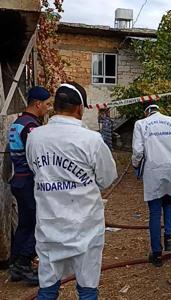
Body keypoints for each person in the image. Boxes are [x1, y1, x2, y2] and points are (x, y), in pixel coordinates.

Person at [26, 82, 117, 299]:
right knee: (87, 289)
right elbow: (107, 178)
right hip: (84, 228)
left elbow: (35, 170)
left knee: (47, 288)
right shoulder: (92, 140)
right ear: (79, 108)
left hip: (49, 227)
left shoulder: (35, 137)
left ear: (55, 106)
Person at [132, 103, 171, 267]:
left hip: (154, 170)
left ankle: (156, 254)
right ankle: (169, 239)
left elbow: (137, 151)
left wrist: (135, 165)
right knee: (168, 202)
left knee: (155, 212)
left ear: (146, 112)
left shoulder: (141, 124)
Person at [8, 86, 51, 284]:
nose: (48, 108)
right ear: (37, 104)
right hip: (27, 181)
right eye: (47, 104)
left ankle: (15, 265)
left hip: (17, 180)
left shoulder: (17, 123)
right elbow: (37, 157)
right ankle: (24, 264)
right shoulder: (31, 127)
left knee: (24, 224)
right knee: (37, 223)